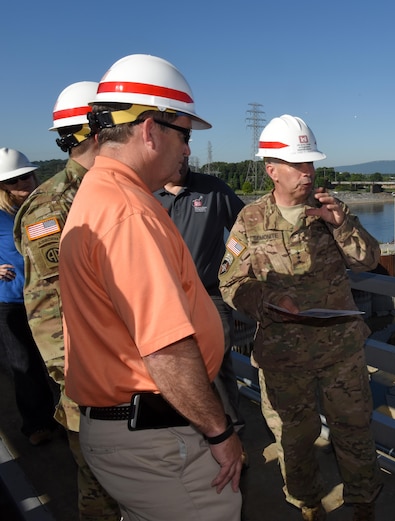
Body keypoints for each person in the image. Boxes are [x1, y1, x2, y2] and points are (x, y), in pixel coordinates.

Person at [59, 54, 243, 521]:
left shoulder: (99, 195)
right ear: (148, 129)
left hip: (131, 433)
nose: (187, 150)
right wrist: (220, 433)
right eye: (184, 135)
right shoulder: (129, 213)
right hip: (158, 438)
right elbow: (164, 348)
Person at [219, 114, 382, 521]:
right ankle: (306, 502)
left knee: (354, 430)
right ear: (271, 169)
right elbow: (230, 281)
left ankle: (364, 501)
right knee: (295, 437)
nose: (307, 172)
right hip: (282, 356)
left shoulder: (330, 210)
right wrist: (267, 300)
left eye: (310, 163)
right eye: (297, 164)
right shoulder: (250, 220)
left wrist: (342, 225)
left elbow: (369, 261)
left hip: (340, 350)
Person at [14, 81, 121, 521]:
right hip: (94, 384)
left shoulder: (113, 191)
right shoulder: (54, 206)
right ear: (97, 132)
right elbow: (46, 308)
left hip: (129, 373)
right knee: (100, 486)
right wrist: (79, 382)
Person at [154, 157, 246, 428]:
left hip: (209, 293)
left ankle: (232, 428)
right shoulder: (146, 194)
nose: (179, 162)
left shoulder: (213, 189)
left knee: (218, 358)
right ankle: (194, 427)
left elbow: (243, 232)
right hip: (163, 298)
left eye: (184, 157)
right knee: (172, 363)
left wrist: (232, 263)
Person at [0, 148, 59, 446]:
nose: (23, 184)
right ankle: (37, 423)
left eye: (26, 176)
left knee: (58, 361)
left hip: (49, 299)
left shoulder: (43, 209)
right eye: (14, 181)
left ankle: (64, 419)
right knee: (24, 365)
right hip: (10, 301)